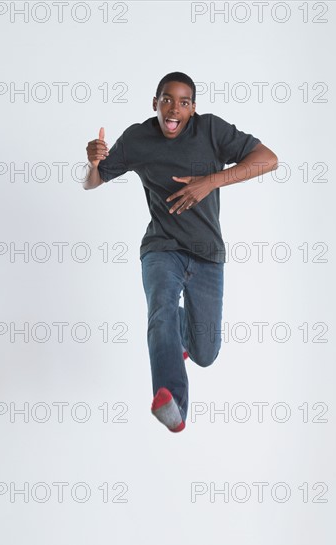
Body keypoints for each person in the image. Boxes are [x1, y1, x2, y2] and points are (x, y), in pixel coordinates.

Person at [84, 71, 278, 433]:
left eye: (184, 102)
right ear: (155, 103)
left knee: (206, 354)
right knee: (160, 307)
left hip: (207, 254)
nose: (175, 109)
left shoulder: (210, 131)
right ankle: (172, 400)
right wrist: (93, 164)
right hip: (161, 248)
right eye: (167, 100)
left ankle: (181, 330)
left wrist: (211, 181)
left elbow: (268, 159)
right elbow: (93, 182)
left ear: (193, 108)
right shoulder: (138, 138)